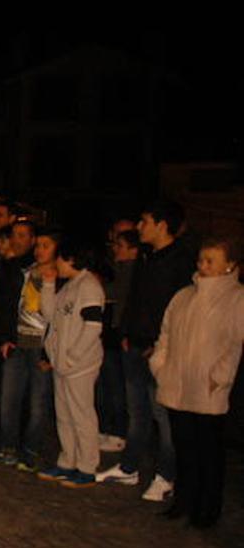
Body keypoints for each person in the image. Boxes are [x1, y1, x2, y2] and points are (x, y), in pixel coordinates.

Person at [97, 201, 195, 501]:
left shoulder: (181, 261)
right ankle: (129, 468)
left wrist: (160, 344)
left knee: (162, 415)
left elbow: (179, 309)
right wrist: (126, 331)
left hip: (160, 350)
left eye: (145, 221)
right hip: (134, 343)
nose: (139, 227)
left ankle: (166, 476)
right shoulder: (146, 257)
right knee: (136, 411)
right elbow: (135, 297)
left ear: (162, 225)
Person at [150, 237, 244, 528]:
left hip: (208, 389)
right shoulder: (184, 295)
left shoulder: (237, 298)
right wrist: (160, 366)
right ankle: (184, 501)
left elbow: (235, 344)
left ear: (230, 266)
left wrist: (219, 378)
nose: (203, 266)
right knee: (184, 447)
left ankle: (207, 508)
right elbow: (165, 334)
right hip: (177, 383)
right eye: (201, 260)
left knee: (209, 452)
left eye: (210, 261)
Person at [0, 224, 54, 471]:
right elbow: (12, 306)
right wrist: (6, 337)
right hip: (18, 340)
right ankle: (8, 447)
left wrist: (49, 349)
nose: (39, 250)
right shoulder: (24, 271)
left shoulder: (58, 275)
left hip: (40, 344)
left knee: (37, 401)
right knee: (9, 397)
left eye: (45, 245)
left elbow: (55, 316)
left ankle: (30, 451)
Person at [33, 240, 105, 487]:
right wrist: (49, 283)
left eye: (60, 259)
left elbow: (93, 326)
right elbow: (50, 314)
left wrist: (73, 356)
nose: (57, 264)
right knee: (64, 415)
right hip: (63, 364)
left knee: (82, 415)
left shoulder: (89, 286)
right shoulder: (70, 286)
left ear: (71, 259)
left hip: (79, 365)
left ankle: (87, 467)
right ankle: (68, 462)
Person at [95, 229, 138, 450]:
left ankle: (118, 432)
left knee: (116, 386)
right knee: (104, 385)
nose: (115, 250)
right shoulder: (117, 269)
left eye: (120, 245)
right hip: (108, 334)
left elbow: (115, 293)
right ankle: (105, 428)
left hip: (118, 335)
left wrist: (96, 284)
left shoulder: (132, 271)